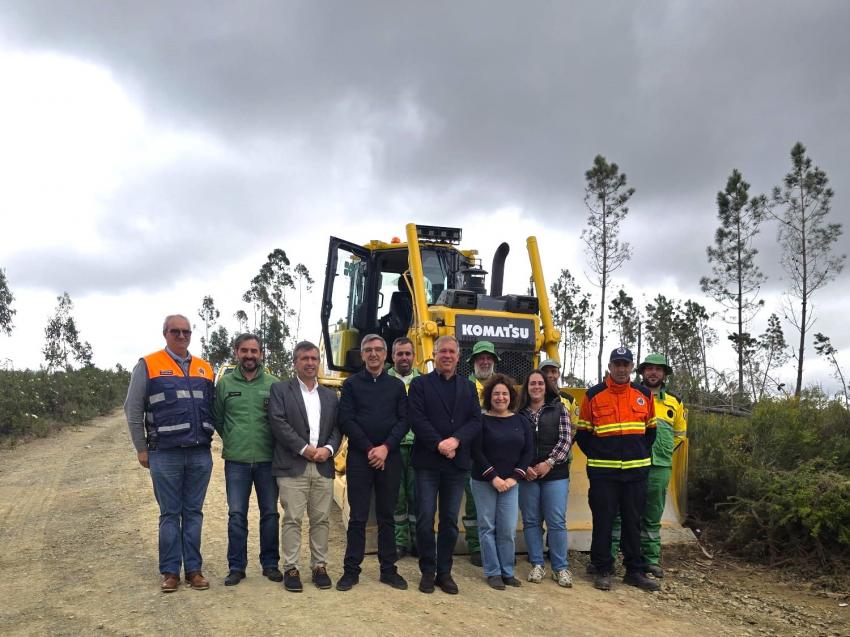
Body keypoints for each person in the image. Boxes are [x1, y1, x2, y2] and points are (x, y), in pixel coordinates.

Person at [124, 314, 215, 592]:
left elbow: (214, 408)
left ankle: (194, 571)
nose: (181, 336)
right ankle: (171, 572)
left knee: (194, 513)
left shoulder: (204, 368)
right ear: (165, 333)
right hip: (165, 453)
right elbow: (132, 409)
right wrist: (141, 448)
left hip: (199, 453)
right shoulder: (148, 365)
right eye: (175, 331)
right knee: (170, 514)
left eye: (186, 331)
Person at [575, 347, 659, 592]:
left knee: (633, 522)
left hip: (636, 473)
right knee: (603, 521)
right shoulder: (593, 395)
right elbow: (583, 435)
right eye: (617, 364)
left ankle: (634, 571)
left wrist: (636, 455)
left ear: (632, 367)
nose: (621, 369)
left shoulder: (644, 395)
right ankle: (602, 568)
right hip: (603, 474)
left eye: (626, 364)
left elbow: (650, 433)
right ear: (610, 367)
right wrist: (602, 456)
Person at [409, 334, 482, 595]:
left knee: (450, 521)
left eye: (452, 352)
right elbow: (416, 418)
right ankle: (427, 571)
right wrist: (439, 443)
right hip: (427, 463)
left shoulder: (468, 387)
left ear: (458, 357)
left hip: (456, 465)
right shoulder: (420, 384)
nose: (447, 356)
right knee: (425, 519)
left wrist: (456, 441)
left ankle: (445, 572)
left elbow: (475, 420)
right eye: (443, 351)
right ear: (434, 355)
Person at [337, 334, 409, 591]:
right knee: (357, 517)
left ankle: (388, 570)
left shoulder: (396, 386)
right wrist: (370, 449)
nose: (373, 354)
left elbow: (404, 420)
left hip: (389, 457)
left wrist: (385, 448)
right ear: (362, 355)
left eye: (378, 349)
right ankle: (351, 571)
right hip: (360, 457)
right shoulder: (351, 385)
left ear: (386, 354)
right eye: (368, 350)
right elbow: (346, 420)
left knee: (387, 516)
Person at [268, 341, 341, 593]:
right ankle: (291, 568)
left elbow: (337, 428)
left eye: (314, 358)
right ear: (295, 363)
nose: (310, 363)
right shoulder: (280, 390)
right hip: (293, 465)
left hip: (322, 465)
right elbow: (278, 422)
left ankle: (319, 566)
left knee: (321, 520)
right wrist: (304, 448)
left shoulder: (330, 396)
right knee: (292, 519)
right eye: (304, 358)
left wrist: (328, 449)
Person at [212, 333, 282, 586]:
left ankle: (270, 564)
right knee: (236, 515)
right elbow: (218, 419)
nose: (249, 355)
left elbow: (280, 421)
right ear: (237, 353)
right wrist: (233, 439)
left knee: (270, 513)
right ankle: (236, 567)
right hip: (237, 461)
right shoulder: (225, 384)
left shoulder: (274, 384)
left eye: (254, 351)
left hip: (267, 460)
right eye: (244, 351)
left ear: (261, 354)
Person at [470, 374, 533, 590]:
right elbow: (476, 451)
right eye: (496, 393)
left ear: (511, 396)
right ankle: (493, 572)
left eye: (504, 393)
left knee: (507, 529)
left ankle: (507, 571)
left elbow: (528, 451)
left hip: (511, 484)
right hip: (484, 481)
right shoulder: (481, 421)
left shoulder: (521, 421)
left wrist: (514, 477)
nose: (500, 397)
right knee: (487, 527)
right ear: (489, 396)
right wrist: (494, 477)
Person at [518, 369, 573, 587]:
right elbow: (514, 442)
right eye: (532, 383)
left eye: (540, 383)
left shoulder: (559, 409)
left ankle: (560, 568)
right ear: (527, 387)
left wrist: (549, 463)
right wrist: (524, 467)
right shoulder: (519, 412)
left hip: (555, 475)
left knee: (556, 521)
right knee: (531, 521)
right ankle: (537, 564)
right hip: (528, 476)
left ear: (546, 386)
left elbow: (566, 440)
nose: (536, 387)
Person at [633, 353, 687, 578]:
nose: (653, 372)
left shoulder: (675, 402)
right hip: (634, 464)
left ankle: (651, 559)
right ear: (643, 372)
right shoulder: (632, 395)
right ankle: (616, 556)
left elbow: (680, 434)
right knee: (623, 511)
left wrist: (663, 451)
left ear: (664, 374)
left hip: (660, 467)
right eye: (649, 368)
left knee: (652, 514)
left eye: (658, 369)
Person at [463, 339, 500, 566]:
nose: (485, 362)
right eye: (480, 358)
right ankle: (476, 547)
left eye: (488, 358)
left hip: (497, 453)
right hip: (470, 453)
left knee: (497, 503)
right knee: (473, 503)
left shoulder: (501, 386)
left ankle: (496, 546)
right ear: (473, 362)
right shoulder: (463, 386)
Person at [387, 336, 420, 558]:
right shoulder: (384, 380)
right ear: (393, 356)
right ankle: (399, 541)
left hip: (418, 447)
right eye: (400, 354)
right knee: (397, 498)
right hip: (393, 447)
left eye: (408, 353)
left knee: (417, 497)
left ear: (414, 356)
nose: (404, 358)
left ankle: (417, 541)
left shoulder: (423, 381)